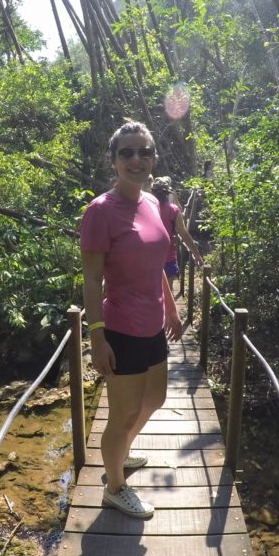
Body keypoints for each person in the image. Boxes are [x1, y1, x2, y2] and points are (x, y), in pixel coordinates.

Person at [79, 122, 183, 519]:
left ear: (153, 157)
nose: (137, 159)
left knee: (153, 400)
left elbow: (156, 263)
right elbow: (91, 279)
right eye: (127, 153)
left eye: (145, 151)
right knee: (121, 415)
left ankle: (118, 455)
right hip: (120, 328)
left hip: (154, 324)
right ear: (113, 160)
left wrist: (171, 307)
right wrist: (96, 337)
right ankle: (115, 486)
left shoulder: (153, 203)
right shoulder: (101, 211)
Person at [150, 176, 204, 294]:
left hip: (149, 258)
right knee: (167, 293)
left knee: (150, 294)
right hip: (167, 256)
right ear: (167, 193)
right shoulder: (173, 210)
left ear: (152, 192)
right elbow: (184, 234)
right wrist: (197, 254)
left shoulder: (146, 208)